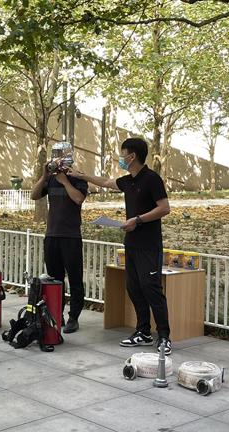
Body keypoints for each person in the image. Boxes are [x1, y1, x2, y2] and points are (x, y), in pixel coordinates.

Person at [69, 137, 172, 354]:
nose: (120, 158)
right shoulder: (128, 180)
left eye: (122, 154)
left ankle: (164, 336)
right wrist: (82, 176)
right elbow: (107, 182)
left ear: (132, 156)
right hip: (131, 243)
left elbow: (164, 208)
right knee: (134, 287)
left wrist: (138, 220)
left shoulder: (152, 179)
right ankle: (143, 331)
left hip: (149, 245)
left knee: (151, 288)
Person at [31, 142, 88, 333]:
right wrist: (44, 176)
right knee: (55, 280)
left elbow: (78, 199)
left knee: (75, 279)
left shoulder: (77, 177)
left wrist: (65, 181)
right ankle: (57, 314)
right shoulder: (50, 179)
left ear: (69, 156)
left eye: (61, 155)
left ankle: (74, 318)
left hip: (71, 237)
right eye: (55, 154)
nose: (57, 158)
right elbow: (34, 195)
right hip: (52, 235)